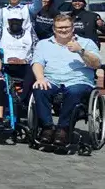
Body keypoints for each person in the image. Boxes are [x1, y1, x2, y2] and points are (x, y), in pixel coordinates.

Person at [32, 14, 102, 146]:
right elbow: (37, 63)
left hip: (78, 81)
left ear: (72, 28)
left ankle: (63, 129)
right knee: (39, 88)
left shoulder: (87, 43)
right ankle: (47, 127)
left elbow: (96, 64)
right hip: (52, 79)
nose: (63, 30)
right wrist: (40, 78)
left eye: (66, 27)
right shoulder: (43, 44)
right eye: (59, 28)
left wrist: (81, 51)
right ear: (54, 29)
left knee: (74, 91)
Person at [0, 10, 37, 104]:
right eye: (12, 20)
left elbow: (37, 51)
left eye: (17, 20)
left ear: (22, 21)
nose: (15, 22)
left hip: (24, 66)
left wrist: (25, 60)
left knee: (33, 70)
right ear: (8, 21)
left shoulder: (30, 33)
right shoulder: (0, 32)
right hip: (4, 65)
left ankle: (22, 98)